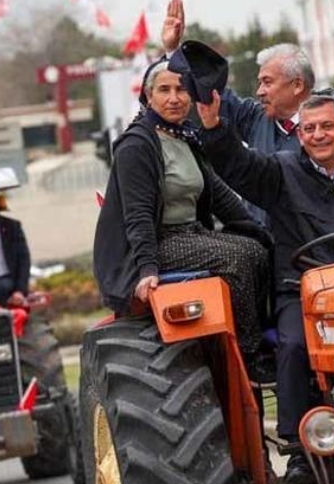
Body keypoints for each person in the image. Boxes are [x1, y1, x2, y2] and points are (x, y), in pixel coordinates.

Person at [196, 90, 334, 484]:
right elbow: (238, 166)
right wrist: (213, 127)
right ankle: (299, 451)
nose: (317, 135)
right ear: (298, 135)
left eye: (327, 126)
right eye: (309, 128)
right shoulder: (280, 173)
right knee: (294, 345)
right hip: (302, 290)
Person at [93, 58, 273, 380]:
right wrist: (147, 268)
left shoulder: (186, 136)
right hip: (154, 244)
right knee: (237, 258)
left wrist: (257, 230)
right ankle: (250, 354)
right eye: (164, 90)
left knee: (260, 251)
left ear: (191, 96)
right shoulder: (136, 146)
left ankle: (264, 336)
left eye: (180, 89)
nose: (174, 98)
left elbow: (219, 194)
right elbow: (138, 215)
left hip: (191, 234)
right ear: (148, 97)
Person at [162, 0, 334, 162]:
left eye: (268, 82)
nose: (259, 91)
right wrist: (173, 51)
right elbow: (211, 92)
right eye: (260, 82)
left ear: (297, 84)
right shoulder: (256, 119)